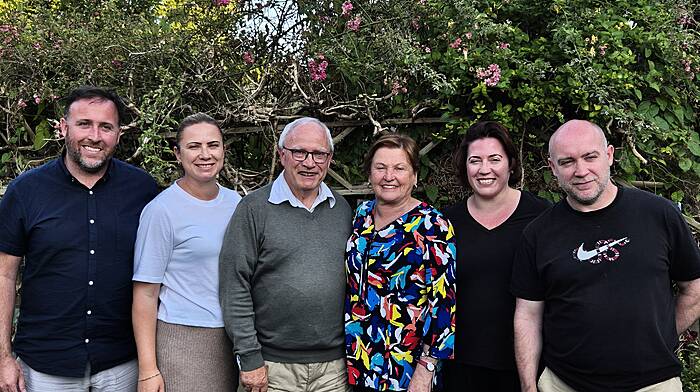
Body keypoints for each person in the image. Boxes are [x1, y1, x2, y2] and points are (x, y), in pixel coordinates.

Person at [511, 119, 700, 392]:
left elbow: (693, 287)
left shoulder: (659, 214)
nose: (581, 171)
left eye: (590, 157)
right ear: (553, 168)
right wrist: (528, 386)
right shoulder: (538, 233)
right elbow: (528, 315)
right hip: (564, 384)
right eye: (567, 162)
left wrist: (661, 335)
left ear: (610, 155)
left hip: (654, 385)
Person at [0, 86, 158, 391]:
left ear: (119, 134)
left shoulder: (143, 190)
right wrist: (3, 356)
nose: (95, 136)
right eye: (84, 124)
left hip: (121, 363)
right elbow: (4, 275)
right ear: (63, 127)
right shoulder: (26, 191)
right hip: (47, 365)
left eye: (106, 127)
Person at [219, 117, 353, 392]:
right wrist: (249, 357)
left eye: (319, 154)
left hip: (334, 369)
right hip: (271, 368)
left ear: (329, 159)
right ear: (282, 155)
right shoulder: (254, 208)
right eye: (299, 152)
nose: (309, 162)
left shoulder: (341, 210)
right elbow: (235, 286)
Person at [132, 113, 241, 392]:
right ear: (177, 154)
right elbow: (145, 294)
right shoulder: (162, 211)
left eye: (213, 145)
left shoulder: (236, 203)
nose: (205, 154)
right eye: (194, 146)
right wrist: (147, 370)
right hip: (184, 338)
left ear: (223, 151)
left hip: (233, 337)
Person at [442, 121, 550, 392]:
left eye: (495, 159)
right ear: (465, 166)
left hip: (525, 366)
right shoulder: (446, 222)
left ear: (511, 164)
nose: (484, 169)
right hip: (461, 367)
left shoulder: (541, 217)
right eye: (475, 160)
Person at [344, 133, 457, 392]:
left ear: (415, 176)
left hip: (407, 369)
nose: (388, 176)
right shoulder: (362, 216)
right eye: (380, 167)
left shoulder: (432, 225)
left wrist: (426, 368)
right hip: (360, 362)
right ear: (369, 174)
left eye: (399, 168)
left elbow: (443, 304)